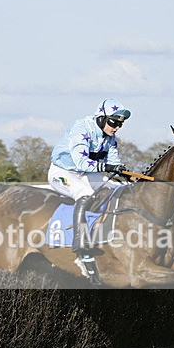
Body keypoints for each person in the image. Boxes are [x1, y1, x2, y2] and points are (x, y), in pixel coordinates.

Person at [48, 98, 130, 256]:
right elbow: (81, 162)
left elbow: (114, 163)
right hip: (62, 173)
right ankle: (79, 240)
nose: (117, 128)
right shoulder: (82, 128)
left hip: (85, 174)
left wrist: (127, 175)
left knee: (118, 189)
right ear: (101, 118)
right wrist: (107, 167)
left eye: (120, 124)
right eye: (113, 123)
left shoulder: (110, 138)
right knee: (85, 194)